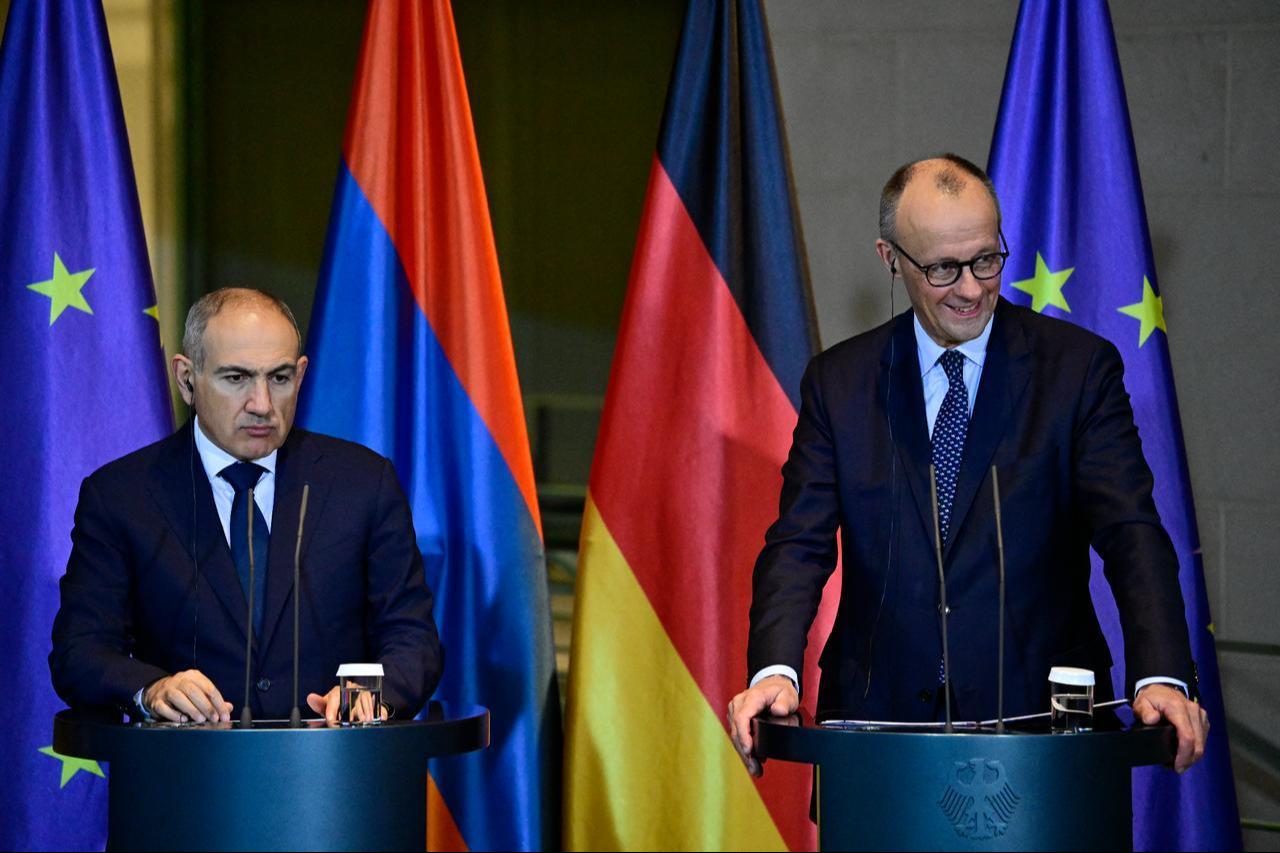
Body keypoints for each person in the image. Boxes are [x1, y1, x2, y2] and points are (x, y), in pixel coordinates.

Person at [728, 155, 1208, 774]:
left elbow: (1131, 532)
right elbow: (799, 543)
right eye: (942, 268)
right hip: (879, 732)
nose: (972, 288)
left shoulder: (1078, 372)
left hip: (1042, 732)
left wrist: (1161, 672)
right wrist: (774, 670)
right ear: (890, 259)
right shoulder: (840, 383)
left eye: (986, 259)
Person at [50, 287, 442, 723]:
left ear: (301, 374)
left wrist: (369, 697)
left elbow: (412, 637)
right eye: (236, 378)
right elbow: (80, 650)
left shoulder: (363, 483)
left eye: (280, 378)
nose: (262, 404)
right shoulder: (121, 495)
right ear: (187, 379)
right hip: (187, 761)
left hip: (332, 759)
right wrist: (152, 689)